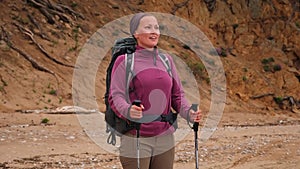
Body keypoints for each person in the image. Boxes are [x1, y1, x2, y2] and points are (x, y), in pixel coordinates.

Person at [108, 12, 202, 169]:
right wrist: (128, 110)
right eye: (148, 27)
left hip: (165, 137)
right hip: (135, 136)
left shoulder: (166, 61)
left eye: (157, 28)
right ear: (135, 33)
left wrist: (188, 113)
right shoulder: (124, 61)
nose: (154, 31)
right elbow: (115, 96)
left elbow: (177, 96)